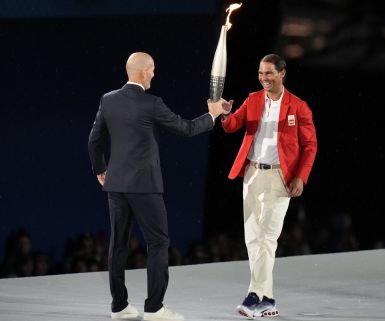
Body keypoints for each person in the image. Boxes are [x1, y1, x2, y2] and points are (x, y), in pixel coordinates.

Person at [88, 52, 226, 321]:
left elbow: (94, 141)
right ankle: (154, 308)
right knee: (158, 243)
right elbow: (186, 128)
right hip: (145, 186)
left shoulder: (108, 100)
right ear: (142, 72)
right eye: (151, 70)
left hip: (116, 184)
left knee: (118, 244)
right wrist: (212, 115)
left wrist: (100, 170)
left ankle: (119, 306)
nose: (153, 74)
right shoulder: (151, 103)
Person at [221, 54, 317, 318]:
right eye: (261, 73)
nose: (264, 78)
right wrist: (225, 114)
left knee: (267, 237)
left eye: (269, 74)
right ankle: (269, 299)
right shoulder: (253, 100)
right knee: (252, 238)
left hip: (280, 178)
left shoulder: (298, 107)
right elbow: (232, 126)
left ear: (282, 74)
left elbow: (310, 146)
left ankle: (254, 295)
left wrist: (301, 177)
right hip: (252, 173)